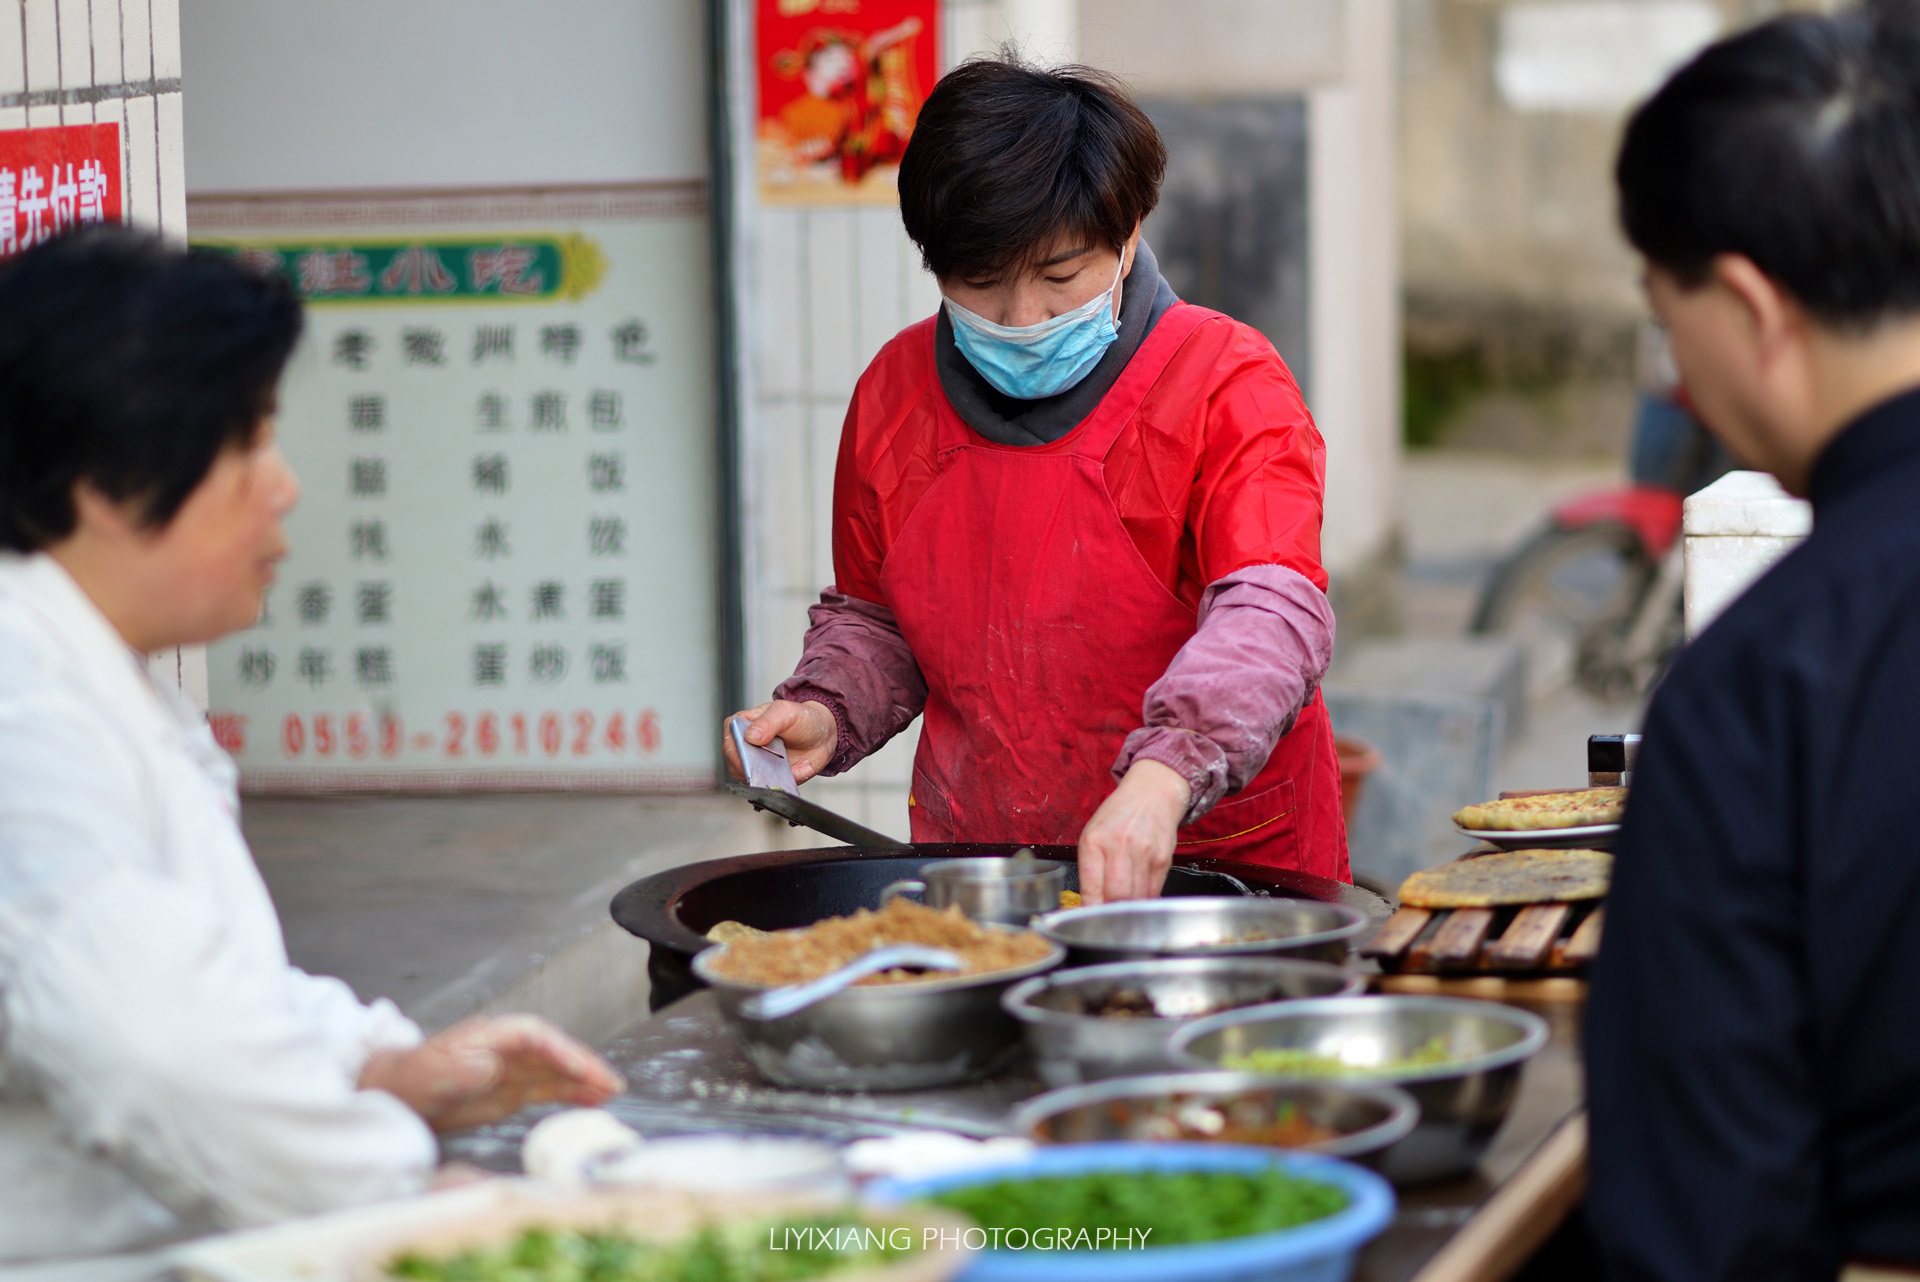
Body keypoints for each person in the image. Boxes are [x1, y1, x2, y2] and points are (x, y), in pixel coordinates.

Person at [0, 228, 622, 1266]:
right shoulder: (26, 720)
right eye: (247, 442)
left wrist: (376, 1063)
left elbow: (199, 971)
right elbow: (160, 1045)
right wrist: (403, 1198)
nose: (283, 486)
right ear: (106, 483)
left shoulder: (90, 669)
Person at [724, 59, 1347, 902]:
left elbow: (1271, 610)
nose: (1023, 319)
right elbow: (881, 618)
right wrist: (829, 707)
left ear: (1128, 233)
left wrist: (1165, 777)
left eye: (1061, 278)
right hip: (985, 874)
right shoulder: (893, 394)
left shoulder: (1227, 378)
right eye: (980, 284)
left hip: (1218, 872)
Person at [1588, 9, 1920, 1278]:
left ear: (1745, 304)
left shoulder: (1770, 679)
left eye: (1668, 320)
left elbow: (1706, 1230)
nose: (1678, 370)